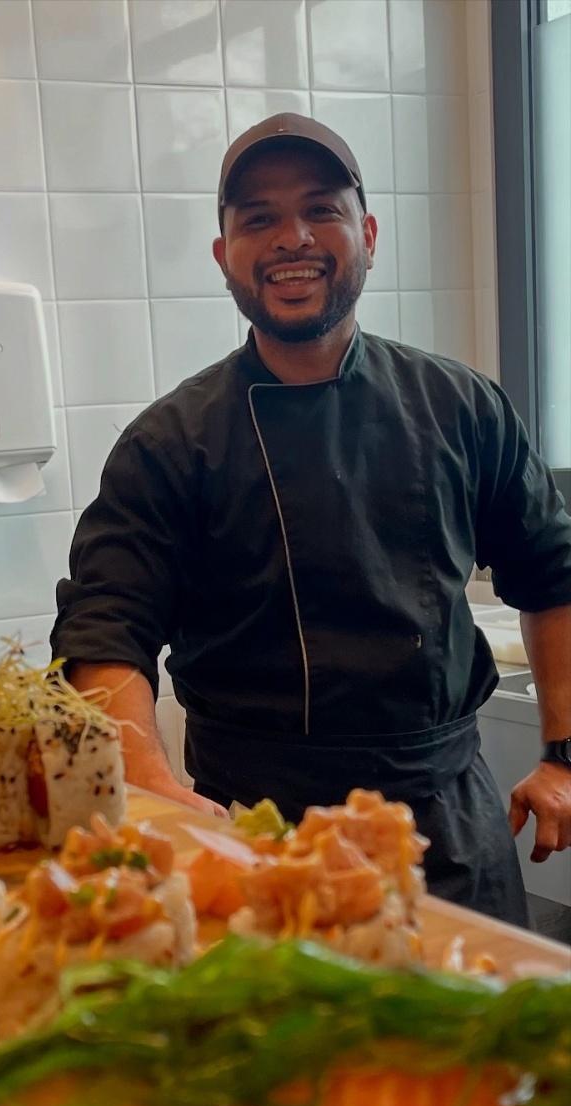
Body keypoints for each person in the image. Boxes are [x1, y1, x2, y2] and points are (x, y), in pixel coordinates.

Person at [52, 114, 571, 924]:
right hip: (254, 834)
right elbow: (104, 629)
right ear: (224, 254)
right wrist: (145, 778)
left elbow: (552, 575)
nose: (292, 237)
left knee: (478, 1049)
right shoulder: (170, 441)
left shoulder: (461, 406)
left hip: (447, 832)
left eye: (320, 209)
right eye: (258, 218)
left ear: (366, 233)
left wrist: (562, 754)